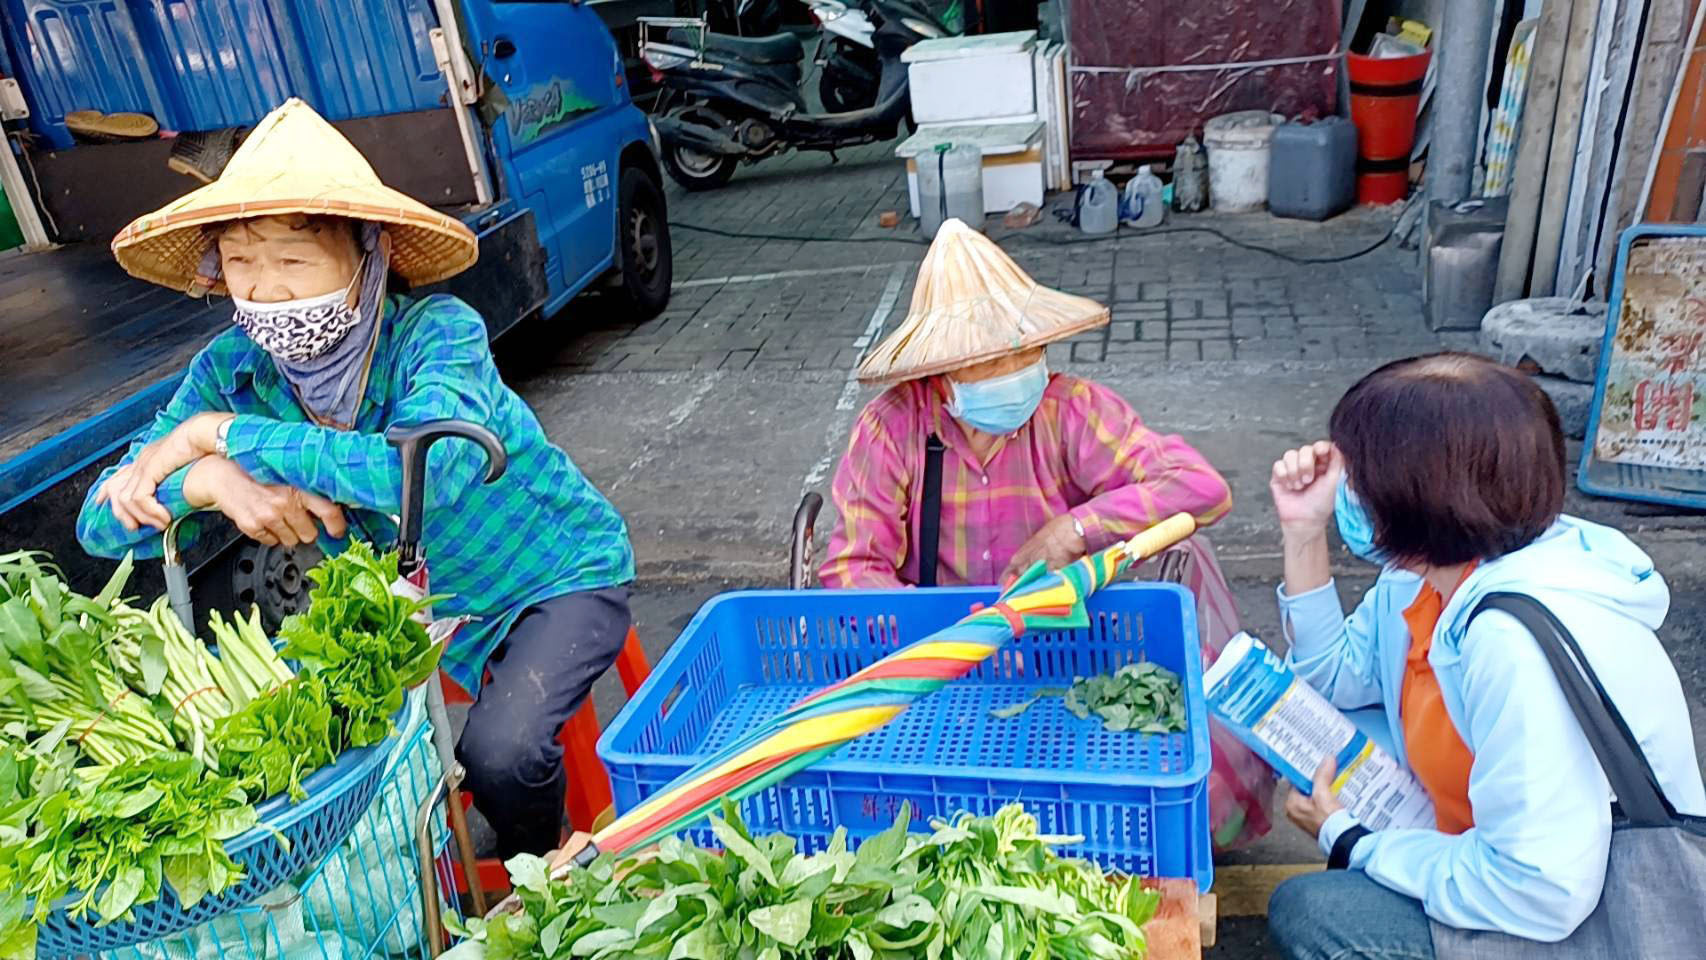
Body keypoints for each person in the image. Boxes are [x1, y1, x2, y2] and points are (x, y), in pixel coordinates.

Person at [76, 99, 636, 860]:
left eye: (294, 261)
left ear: (366, 255)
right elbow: (102, 519)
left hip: (552, 581)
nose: (266, 291)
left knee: (502, 754)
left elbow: (421, 472)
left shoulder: (435, 336)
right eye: (242, 263)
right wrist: (209, 485)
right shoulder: (231, 369)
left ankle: (538, 863)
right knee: (299, 760)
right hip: (408, 616)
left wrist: (222, 436)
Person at [819, 218, 1276, 851]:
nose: (1015, 370)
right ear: (940, 374)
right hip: (944, 665)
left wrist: (1075, 528)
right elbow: (850, 570)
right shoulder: (892, 428)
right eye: (989, 360)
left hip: (1071, 651)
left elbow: (1200, 488)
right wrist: (943, 638)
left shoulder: (1069, 410)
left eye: (1023, 350)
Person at [1265, 353, 1706, 957]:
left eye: (1356, 476)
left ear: (1414, 497)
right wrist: (1303, 532)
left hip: (1592, 914)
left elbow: (1539, 891)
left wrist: (1353, 842)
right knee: (1351, 738)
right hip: (1503, 853)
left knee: (1317, 912)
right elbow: (1333, 681)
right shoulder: (1427, 577)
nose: (1346, 489)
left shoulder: (1510, 643)